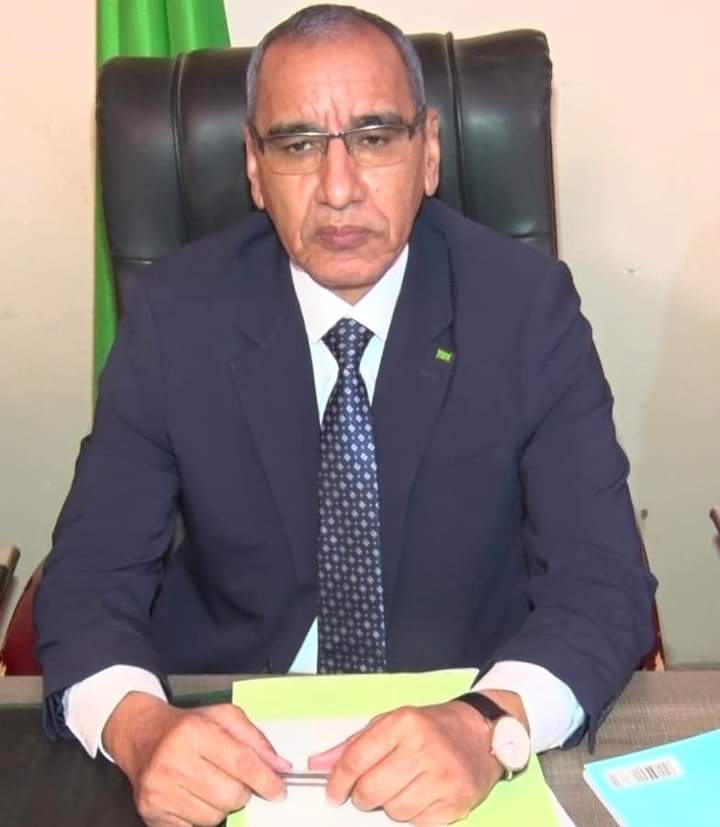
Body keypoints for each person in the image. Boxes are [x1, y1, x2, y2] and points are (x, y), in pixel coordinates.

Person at [35, 4, 656, 826]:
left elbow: (603, 581)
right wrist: (141, 728)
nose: (337, 189)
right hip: (230, 742)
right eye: (297, 144)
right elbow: (88, 579)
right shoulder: (174, 315)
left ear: (428, 152)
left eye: (374, 137)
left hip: (460, 730)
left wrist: (489, 723)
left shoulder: (526, 309)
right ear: (253, 167)